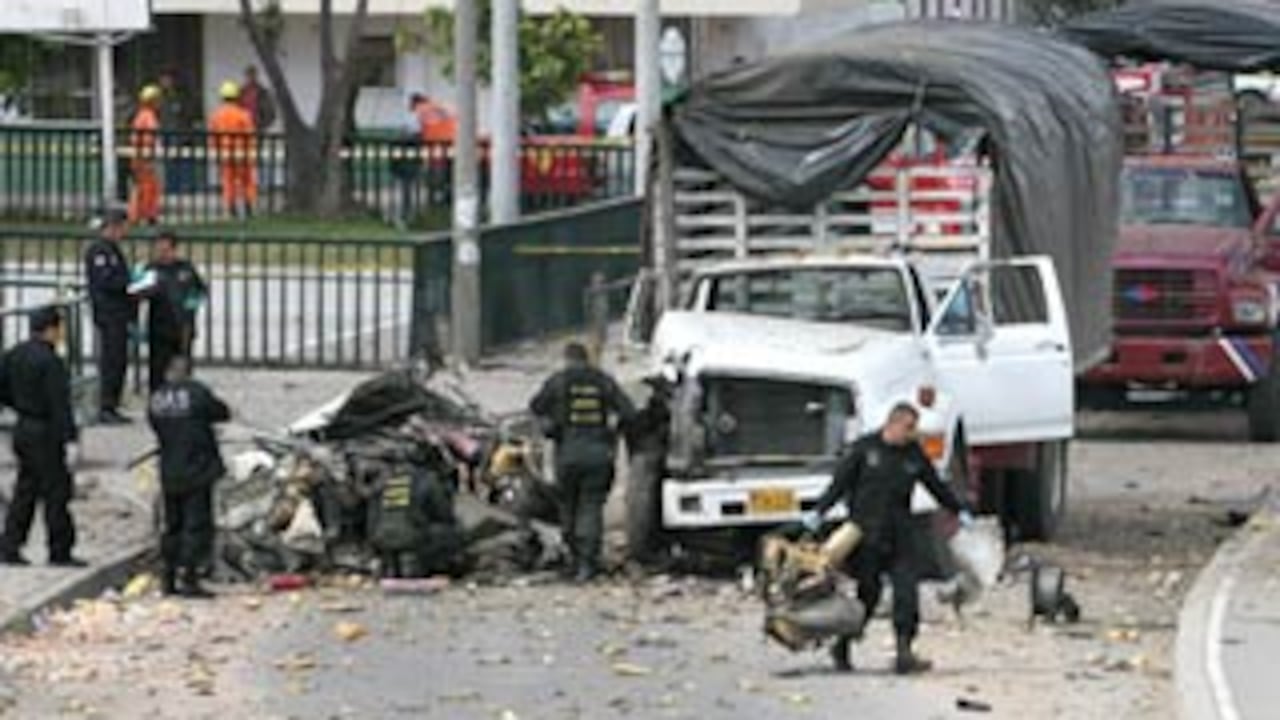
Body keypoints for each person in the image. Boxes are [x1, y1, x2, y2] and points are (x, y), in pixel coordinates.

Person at [803, 402, 974, 675]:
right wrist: (819, 512)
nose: (911, 433)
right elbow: (840, 484)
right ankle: (843, 646)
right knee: (867, 597)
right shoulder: (864, 449)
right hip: (866, 535)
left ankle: (904, 652)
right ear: (892, 424)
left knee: (906, 593)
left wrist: (958, 510)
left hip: (901, 534)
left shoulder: (913, 455)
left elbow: (935, 486)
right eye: (908, 427)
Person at [529, 342, 635, 582]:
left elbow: (536, 408)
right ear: (587, 358)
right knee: (591, 506)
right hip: (599, 455)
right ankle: (587, 564)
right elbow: (628, 412)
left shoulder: (558, 381)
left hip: (567, 455)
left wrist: (551, 429)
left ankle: (574, 560)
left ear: (566, 359)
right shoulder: (603, 381)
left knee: (568, 506)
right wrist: (612, 432)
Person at [0, 307, 84, 567]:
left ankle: (10, 544)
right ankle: (59, 550)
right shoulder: (51, 362)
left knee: (26, 489)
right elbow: (60, 404)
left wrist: (18, 406)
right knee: (56, 491)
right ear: (52, 329)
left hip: (23, 426)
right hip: (46, 432)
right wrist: (70, 438)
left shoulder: (14, 354)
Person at [147, 356, 230, 597]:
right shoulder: (197, 393)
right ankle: (190, 578)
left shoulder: (157, 398)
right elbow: (221, 412)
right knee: (196, 525)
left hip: (170, 469)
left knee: (172, 525)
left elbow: (155, 425)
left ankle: (168, 577)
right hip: (197, 468)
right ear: (188, 373)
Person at [84, 206, 135, 424]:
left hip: (120, 312)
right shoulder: (99, 250)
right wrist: (130, 285)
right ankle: (106, 406)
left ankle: (112, 404)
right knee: (111, 360)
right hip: (109, 312)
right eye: (122, 227)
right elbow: (106, 281)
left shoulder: (113, 249)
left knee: (119, 359)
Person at [139, 230, 206, 393]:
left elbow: (200, 290)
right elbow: (138, 292)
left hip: (182, 325)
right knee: (157, 366)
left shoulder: (186, 268)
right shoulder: (151, 269)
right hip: (159, 326)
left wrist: (192, 303)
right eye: (159, 249)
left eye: (166, 250)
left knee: (182, 364)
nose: (162, 253)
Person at [208, 81, 257, 218]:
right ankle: (248, 207)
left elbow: (213, 137)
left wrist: (216, 152)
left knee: (228, 181)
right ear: (236, 97)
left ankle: (232, 208)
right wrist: (251, 152)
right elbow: (249, 135)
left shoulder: (216, 115)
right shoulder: (243, 114)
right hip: (242, 154)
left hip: (225, 154)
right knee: (246, 181)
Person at [128, 85, 163, 224]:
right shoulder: (148, 117)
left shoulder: (140, 116)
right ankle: (148, 214)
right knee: (149, 187)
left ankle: (138, 214)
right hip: (144, 158)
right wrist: (149, 156)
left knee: (141, 187)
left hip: (139, 156)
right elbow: (150, 136)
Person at [239, 65, 277, 132]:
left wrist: (263, 123)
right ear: (246, 76)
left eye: (253, 75)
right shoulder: (241, 92)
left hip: (258, 127)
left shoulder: (263, 92)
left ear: (256, 76)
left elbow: (270, 111)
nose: (251, 77)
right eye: (249, 75)